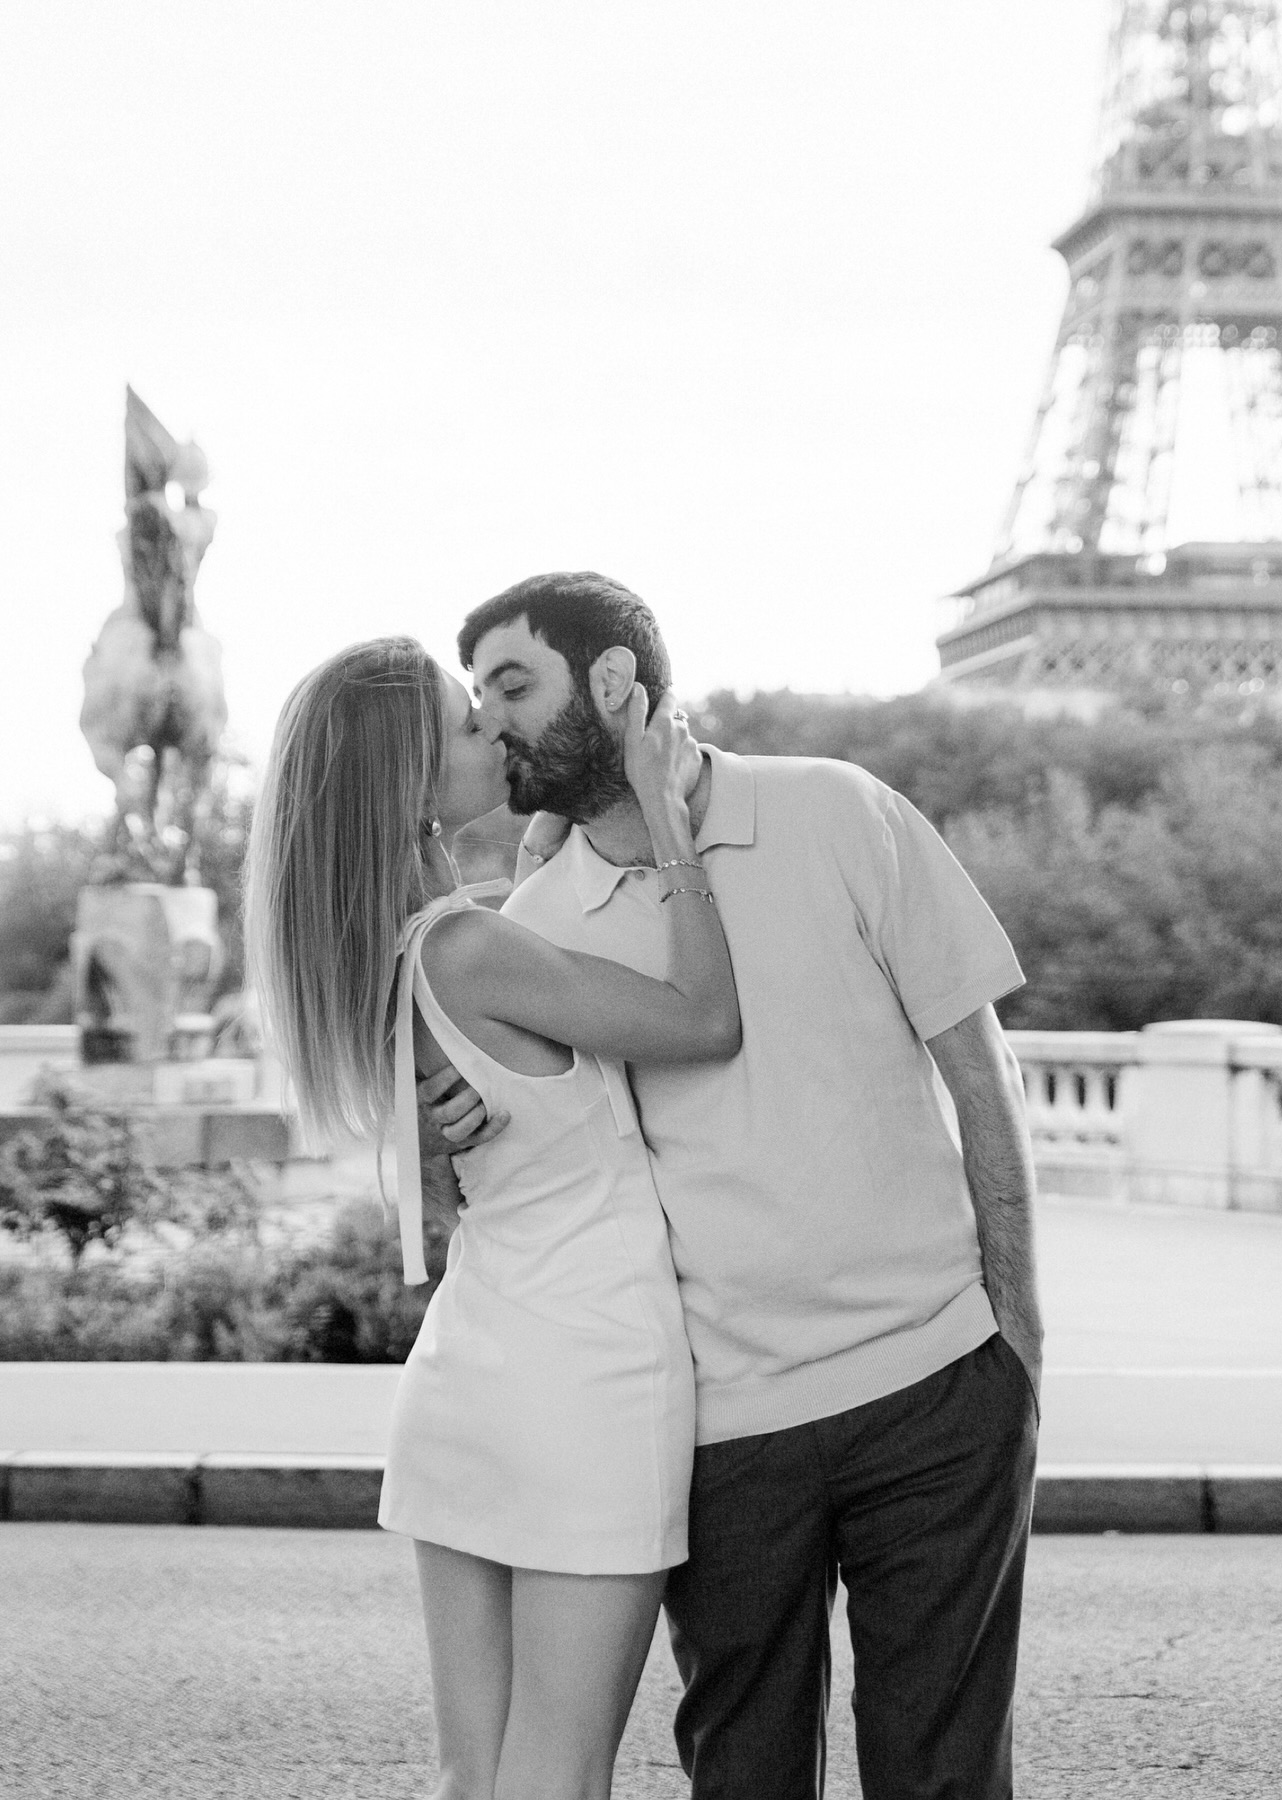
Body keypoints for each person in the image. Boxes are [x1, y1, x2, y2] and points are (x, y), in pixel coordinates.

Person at [420, 572, 1043, 1800]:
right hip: (722, 1426)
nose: (489, 722)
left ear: (613, 683)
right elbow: (527, 1138)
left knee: (944, 1778)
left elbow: (979, 1070)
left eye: (511, 685)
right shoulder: (538, 920)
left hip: (934, 1387)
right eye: (477, 697)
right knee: (743, 1776)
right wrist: (445, 1128)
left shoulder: (836, 810)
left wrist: (1016, 1328)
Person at [244, 635, 742, 1800]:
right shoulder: (471, 946)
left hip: (473, 1380)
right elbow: (707, 1023)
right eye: (467, 725)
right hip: (585, 1384)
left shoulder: (398, 957)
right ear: (416, 780)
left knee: (479, 1777)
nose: (493, 730)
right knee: (555, 1775)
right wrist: (670, 824)